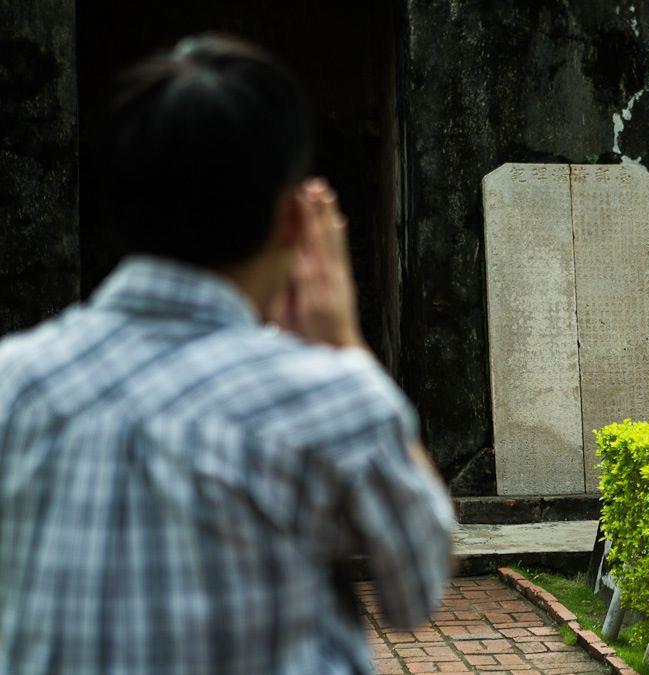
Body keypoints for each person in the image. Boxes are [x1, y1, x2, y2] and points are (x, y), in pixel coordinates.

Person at [0, 35, 454, 674]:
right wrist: (346, 347)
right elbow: (418, 586)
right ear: (296, 221)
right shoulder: (325, 396)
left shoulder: (14, 380)